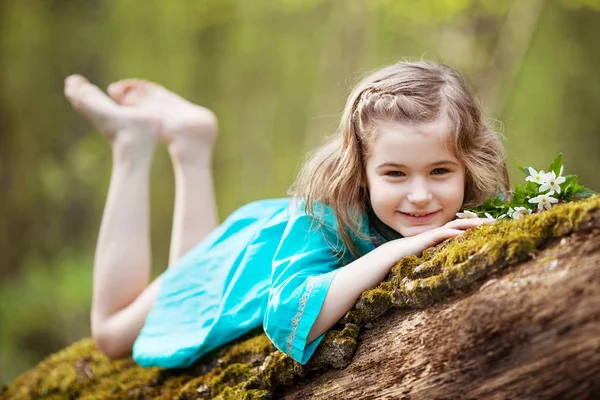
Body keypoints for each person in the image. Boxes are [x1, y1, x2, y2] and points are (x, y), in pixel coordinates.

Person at [63, 60, 509, 369]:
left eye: (439, 171)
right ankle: (131, 145)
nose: (419, 195)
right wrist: (399, 251)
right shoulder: (324, 217)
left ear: (466, 165)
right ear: (362, 172)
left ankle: (190, 143)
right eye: (395, 173)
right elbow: (287, 315)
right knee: (111, 334)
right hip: (249, 258)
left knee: (191, 268)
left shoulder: (467, 204)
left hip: (243, 255)